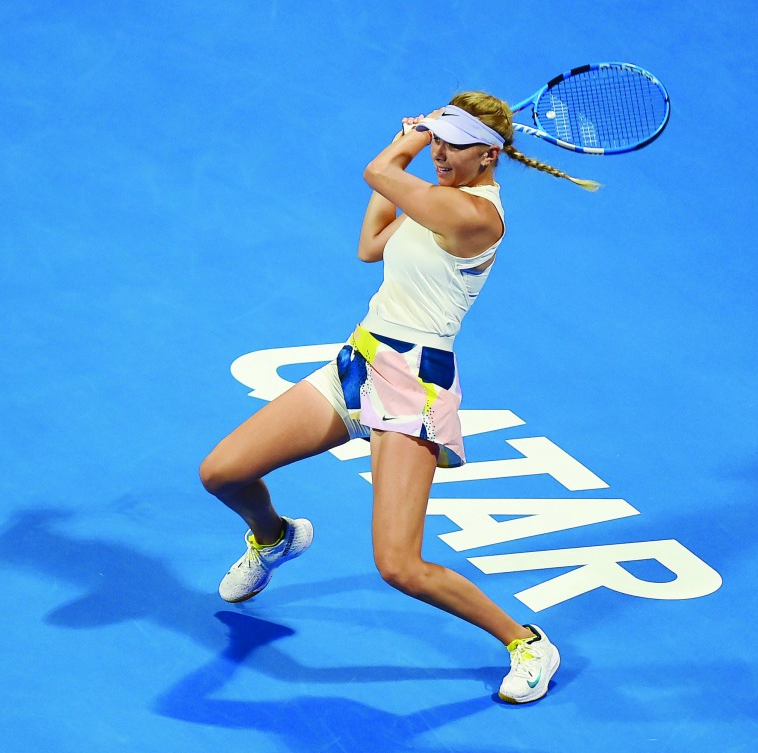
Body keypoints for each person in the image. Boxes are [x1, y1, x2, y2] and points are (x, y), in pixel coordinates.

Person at [199, 91, 597, 704]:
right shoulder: (439, 197)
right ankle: (275, 537)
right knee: (223, 472)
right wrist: (413, 155)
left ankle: (527, 643)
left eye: (453, 145)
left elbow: (379, 173)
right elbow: (371, 243)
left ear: (490, 154)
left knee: (399, 566)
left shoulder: (475, 217)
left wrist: (406, 140)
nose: (439, 153)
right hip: (359, 361)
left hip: (414, 387)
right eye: (436, 140)